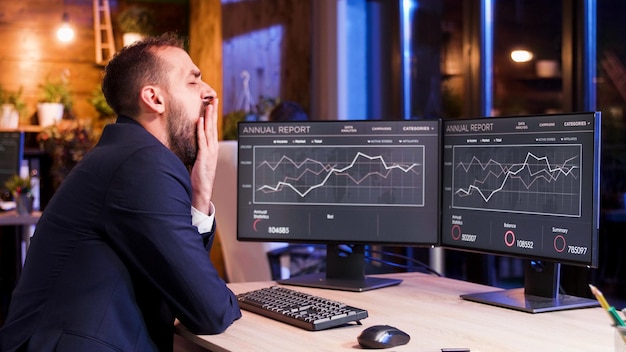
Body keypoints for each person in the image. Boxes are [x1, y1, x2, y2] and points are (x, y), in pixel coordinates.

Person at [0, 33, 241, 351]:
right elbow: (210, 308)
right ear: (154, 99)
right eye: (194, 81)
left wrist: (201, 192)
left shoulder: (128, 154)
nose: (210, 92)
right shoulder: (142, 163)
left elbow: (186, 285)